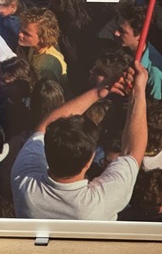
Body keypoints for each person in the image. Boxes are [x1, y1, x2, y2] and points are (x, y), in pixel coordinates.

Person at [10, 60, 148, 220]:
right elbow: (133, 151)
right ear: (89, 162)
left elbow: (44, 126)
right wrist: (138, 91)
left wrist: (98, 92)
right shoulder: (98, 203)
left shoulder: (24, 183)